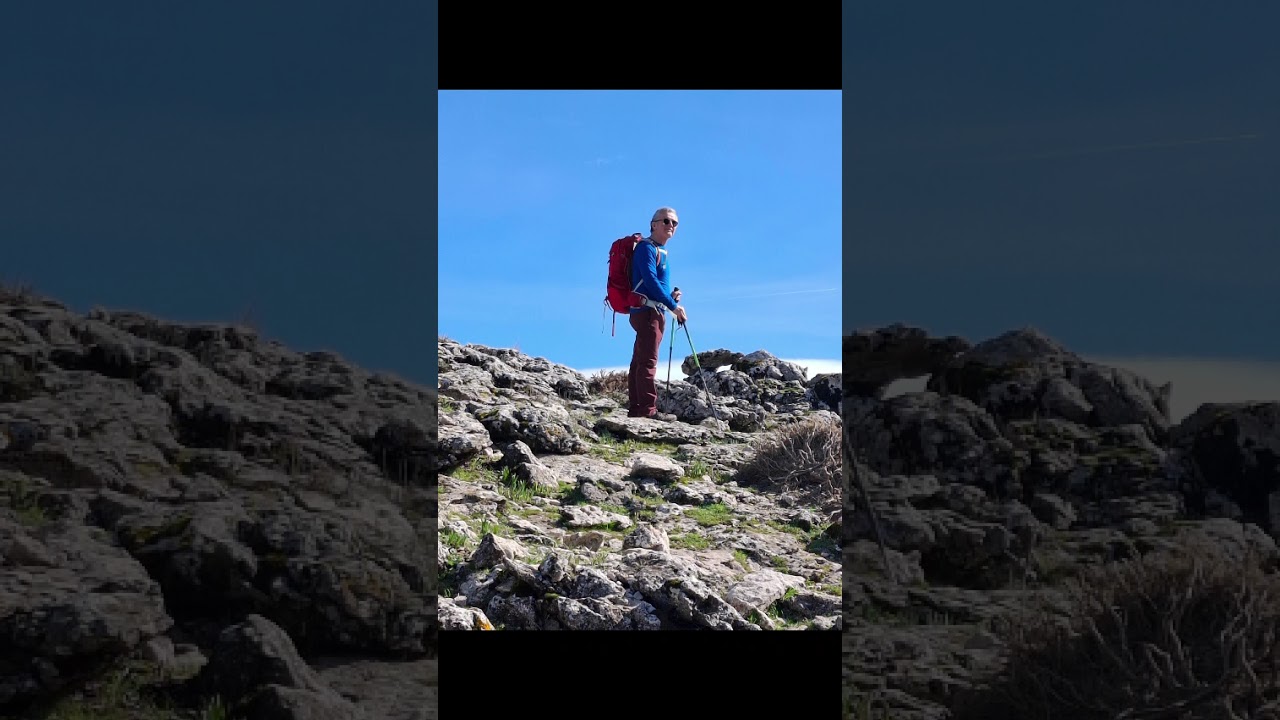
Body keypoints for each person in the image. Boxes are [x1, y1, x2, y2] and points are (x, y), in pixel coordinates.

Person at [628, 207, 688, 420]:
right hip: (648, 312)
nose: (670, 225)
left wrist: (671, 297)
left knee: (640, 360)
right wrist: (673, 306)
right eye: (666, 221)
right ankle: (646, 410)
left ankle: (636, 408)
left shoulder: (657, 250)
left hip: (650, 310)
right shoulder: (647, 248)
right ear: (653, 224)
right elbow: (651, 281)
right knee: (648, 361)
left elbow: (653, 283)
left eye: (674, 223)